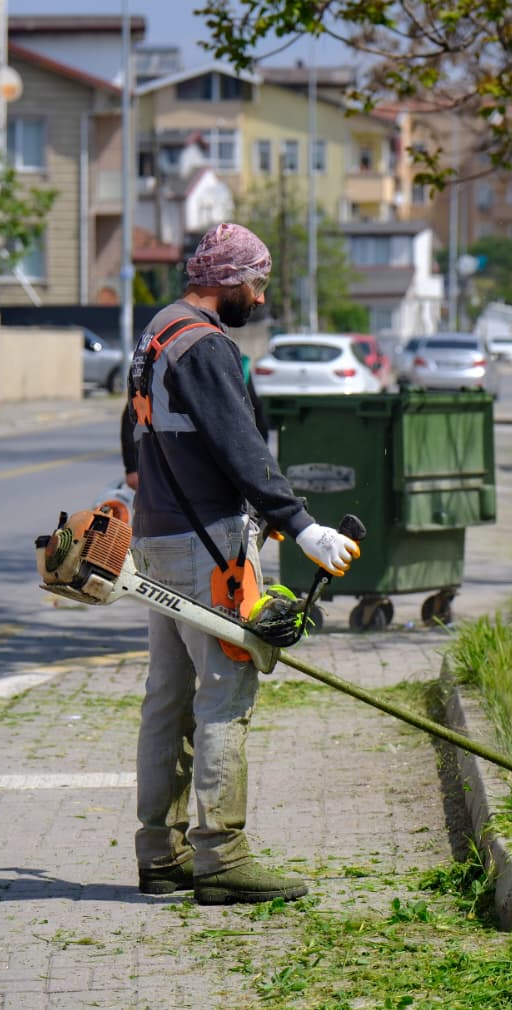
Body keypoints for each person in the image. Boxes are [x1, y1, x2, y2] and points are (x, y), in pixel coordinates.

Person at [119, 222, 360, 905]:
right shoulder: (205, 346)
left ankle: (159, 853)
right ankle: (221, 858)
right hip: (208, 547)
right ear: (227, 281)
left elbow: (136, 436)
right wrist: (301, 526)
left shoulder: (157, 333)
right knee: (224, 695)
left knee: (167, 701)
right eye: (254, 285)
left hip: (157, 538)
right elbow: (241, 446)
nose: (258, 298)